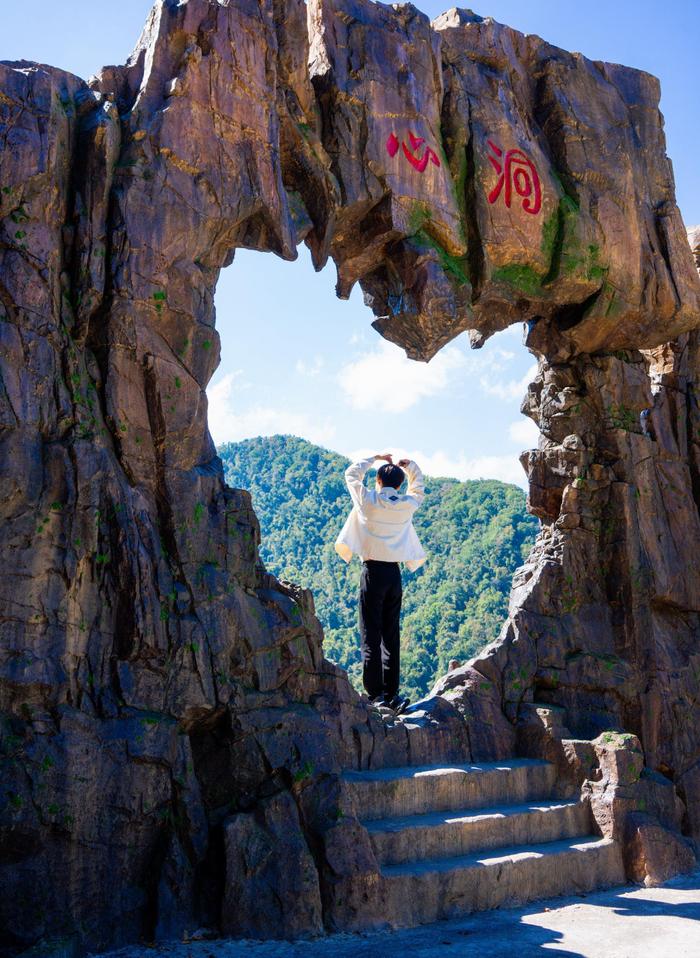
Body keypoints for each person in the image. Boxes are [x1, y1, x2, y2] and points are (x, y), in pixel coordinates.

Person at [335, 453, 426, 713]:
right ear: (400, 485)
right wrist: (411, 468)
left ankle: (376, 697)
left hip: (372, 572)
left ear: (377, 480)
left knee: (371, 636)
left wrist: (374, 458)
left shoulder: (368, 500)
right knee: (391, 635)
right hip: (394, 575)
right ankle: (393, 694)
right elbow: (418, 487)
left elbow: (351, 474)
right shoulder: (406, 504)